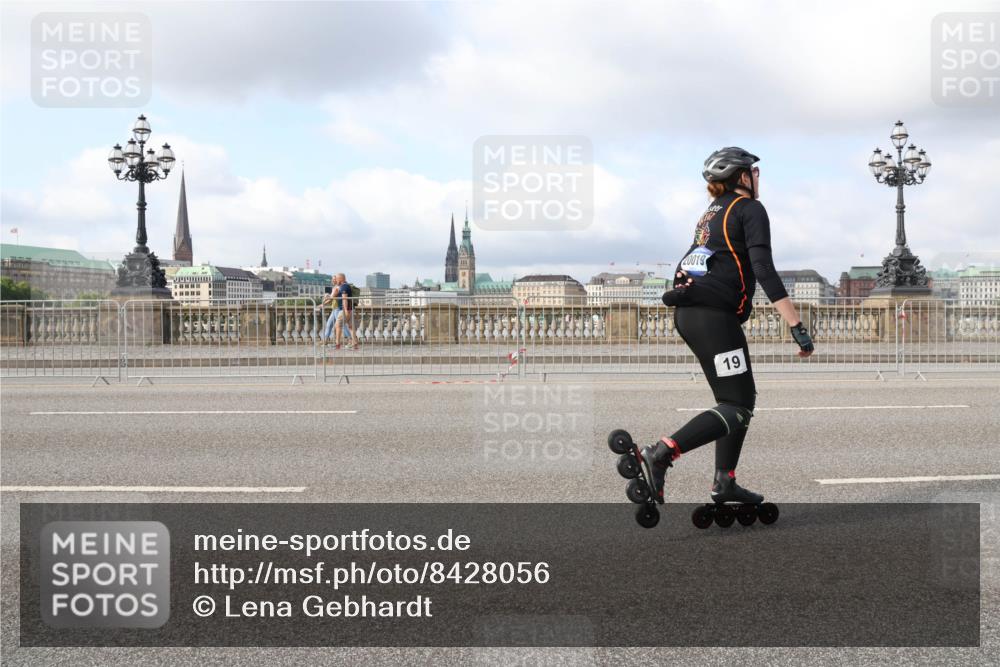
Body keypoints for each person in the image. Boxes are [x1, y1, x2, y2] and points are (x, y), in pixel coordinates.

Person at [641, 147, 814, 506]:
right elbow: (763, 269)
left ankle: (725, 481)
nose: (758, 178)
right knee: (737, 404)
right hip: (712, 316)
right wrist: (796, 325)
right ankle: (662, 453)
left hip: (690, 314)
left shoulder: (710, 214)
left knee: (734, 401)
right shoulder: (750, 209)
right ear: (742, 177)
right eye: (755, 172)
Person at [333, 273, 357, 350]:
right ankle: (355, 343)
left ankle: (337, 344)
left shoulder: (344, 287)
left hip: (344, 309)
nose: (335, 280)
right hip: (350, 309)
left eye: (336, 279)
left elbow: (344, 299)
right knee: (351, 327)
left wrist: (346, 310)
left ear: (340, 279)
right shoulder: (345, 286)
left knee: (337, 326)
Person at [320, 276, 341, 346]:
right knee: (329, 325)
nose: (333, 281)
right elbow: (331, 299)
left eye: (334, 279)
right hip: (334, 309)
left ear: (338, 280)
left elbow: (331, 298)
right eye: (332, 279)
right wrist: (323, 303)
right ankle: (325, 340)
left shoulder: (337, 288)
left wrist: (323, 302)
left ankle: (352, 339)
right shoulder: (334, 287)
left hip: (337, 308)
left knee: (342, 325)